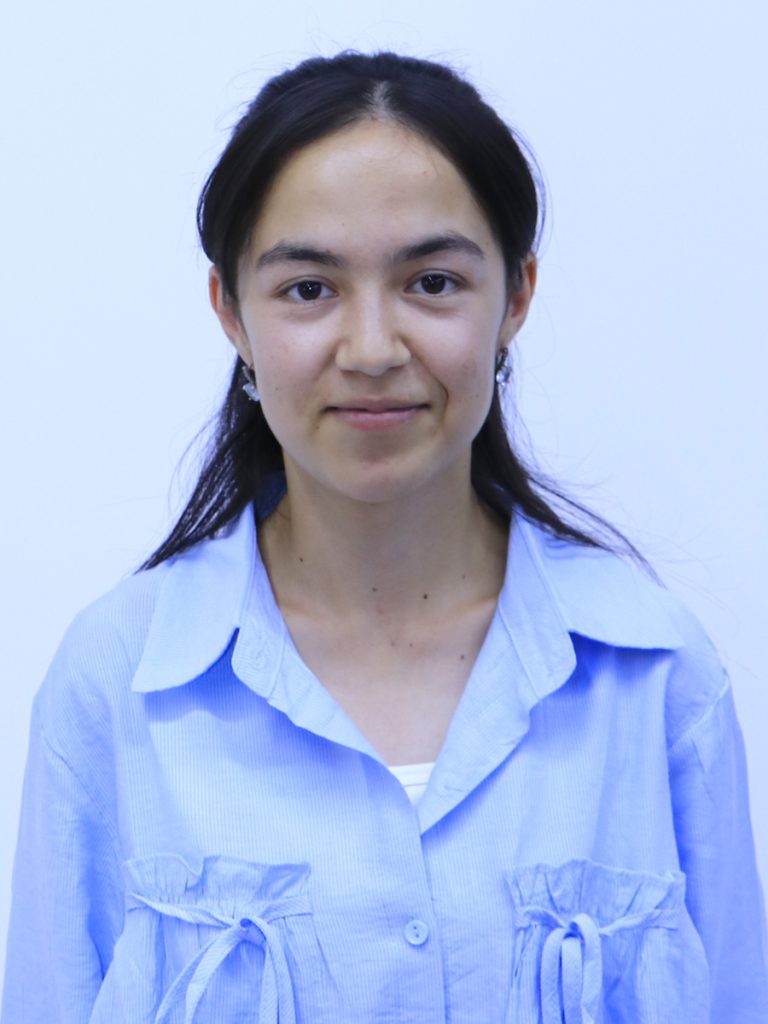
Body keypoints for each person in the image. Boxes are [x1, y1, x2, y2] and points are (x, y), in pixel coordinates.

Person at [3, 51, 766, 1024]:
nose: (371, 350)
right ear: (230, 311)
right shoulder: (116, 680)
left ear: (516, 297)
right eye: (308, 290)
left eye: (433, 281)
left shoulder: (657, 675)